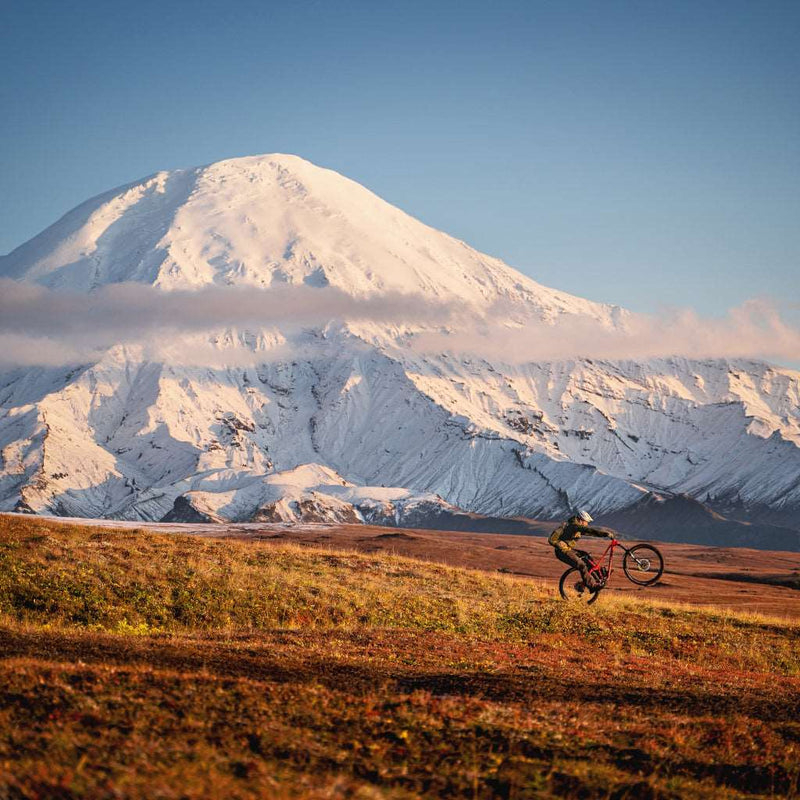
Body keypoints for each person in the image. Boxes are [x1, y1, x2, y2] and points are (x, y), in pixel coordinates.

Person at [549, 510, 615, 590]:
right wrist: (605, 534)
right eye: (586, 522)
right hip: (562, 552)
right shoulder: (574, 526)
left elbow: (591, 533)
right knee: (581, 565)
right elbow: (588, 530)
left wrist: (604, 535)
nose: (587, 524)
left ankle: (600, 574)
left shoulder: (577, 527)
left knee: (586, 556)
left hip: (568, 550)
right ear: (581, 520)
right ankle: (592, 586)